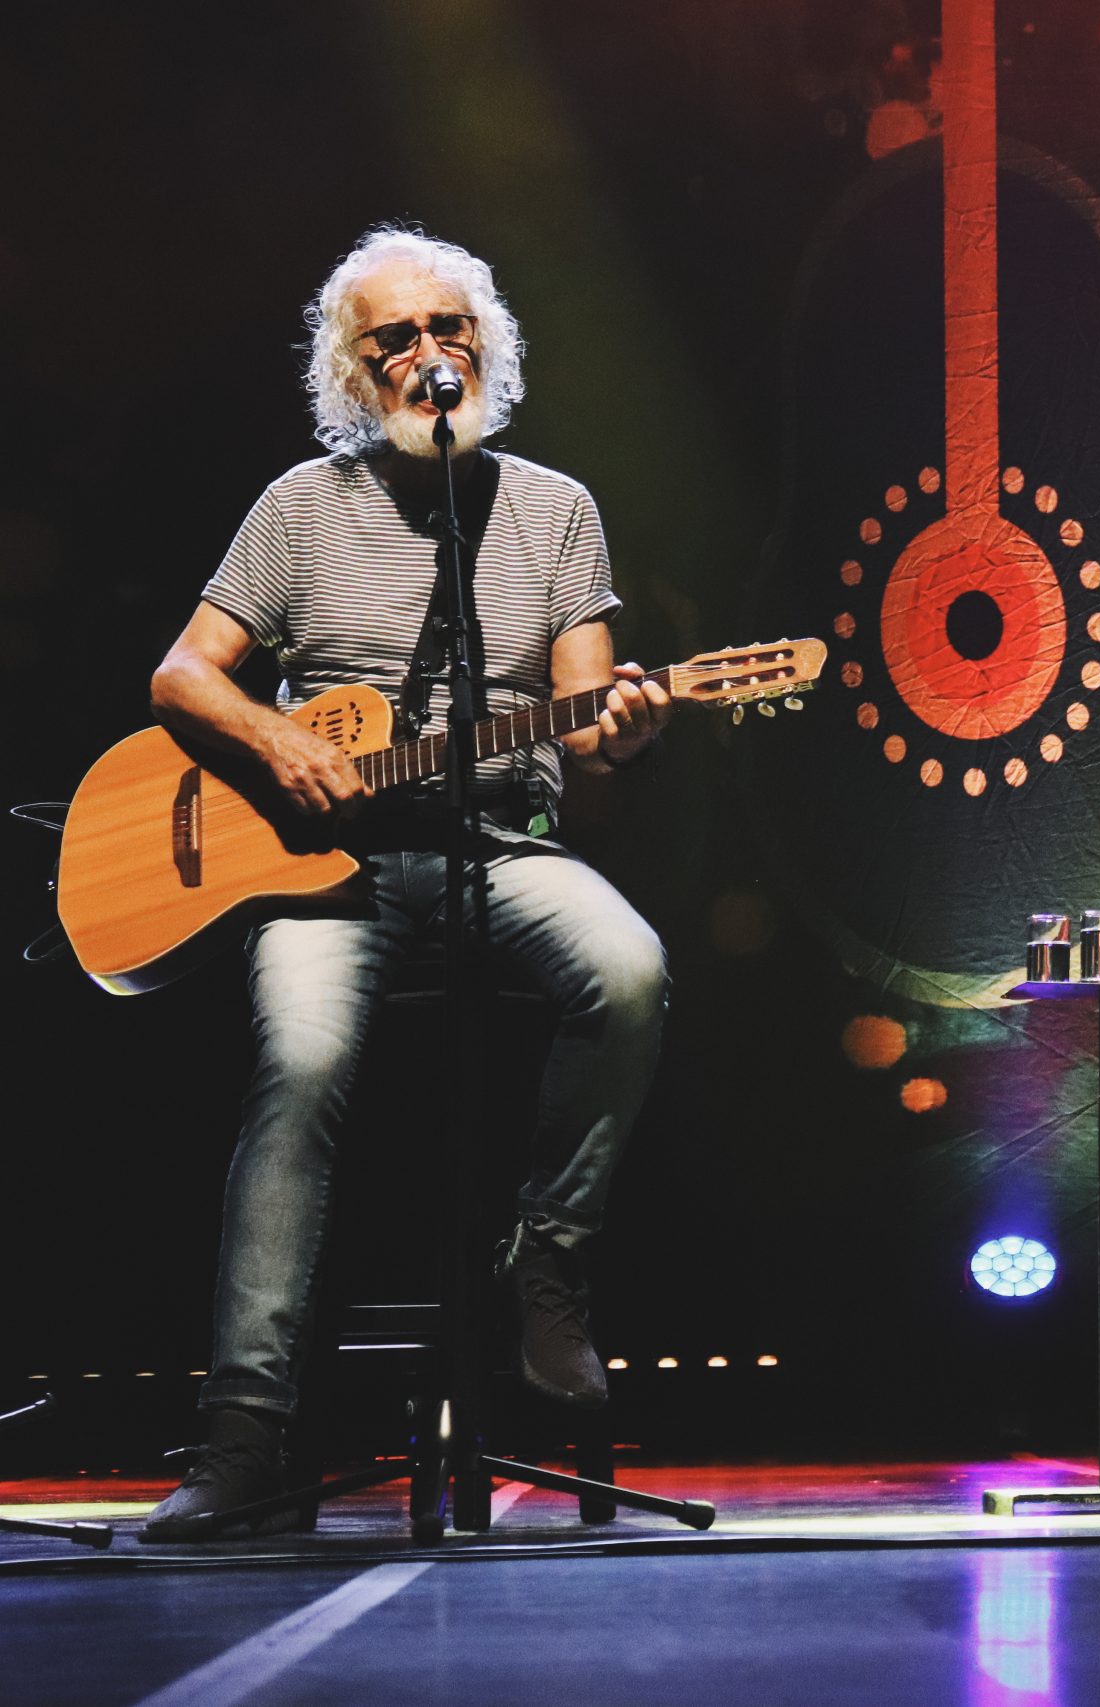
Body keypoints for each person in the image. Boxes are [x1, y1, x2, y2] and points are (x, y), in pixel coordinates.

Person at [141, 228, 673, 1539]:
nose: (431, 356)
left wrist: (622, 733)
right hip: (324, 869)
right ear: (354, 371)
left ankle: (541, 1266)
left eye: (452, 329)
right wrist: (279, 743)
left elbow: (586, 741)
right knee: (305, 1068)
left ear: (486, 343)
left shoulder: (554, 510)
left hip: (499, 848)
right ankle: (245, 1434)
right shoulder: (298, 508)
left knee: (631, 969)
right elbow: (182, 676)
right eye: (397, 340)